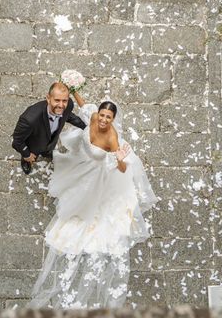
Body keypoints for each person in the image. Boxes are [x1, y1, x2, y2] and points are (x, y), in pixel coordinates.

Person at [29, 91, 158, 308]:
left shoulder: (112, 137)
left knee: (86, 207)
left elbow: (123, 167)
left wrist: (119, 159)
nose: (104, 120)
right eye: (102, 115)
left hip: (99, 173)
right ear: (98, 114)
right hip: (82, 163)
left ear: (113, 119)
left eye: (109, 117)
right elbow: (84, 105)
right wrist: (74, 89)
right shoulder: (91, 116)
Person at [12, 82, 86, 175]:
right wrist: (27, 154)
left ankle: (46, 152)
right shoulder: (29, 119)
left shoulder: (68, 105)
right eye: (57, 100)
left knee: (48, 149)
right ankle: (26, 161)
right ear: (48, 98)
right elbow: (17, 141)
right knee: (29, 157)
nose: (61, 105)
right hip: (34, 146)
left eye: (64, 100)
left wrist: (86, 127)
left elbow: (68, 116)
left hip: (51, 141)